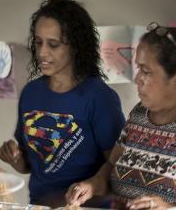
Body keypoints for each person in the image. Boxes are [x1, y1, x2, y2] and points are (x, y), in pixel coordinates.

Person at [0, 0, 125, 208]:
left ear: (76, 47)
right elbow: (30, 165)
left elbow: (118, 170)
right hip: (39, 205)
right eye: (38, 42)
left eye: (53, 44)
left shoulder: (100, 98)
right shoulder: (31, 93)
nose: (42, 53)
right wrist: (14, 158)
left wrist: (89, 187)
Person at [65, 22, 176, 209]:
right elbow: (111, 166)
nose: (137, 78)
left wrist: (167, 207)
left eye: (146, 71)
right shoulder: (139, 113)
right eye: (138, 69)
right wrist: (92, 185)